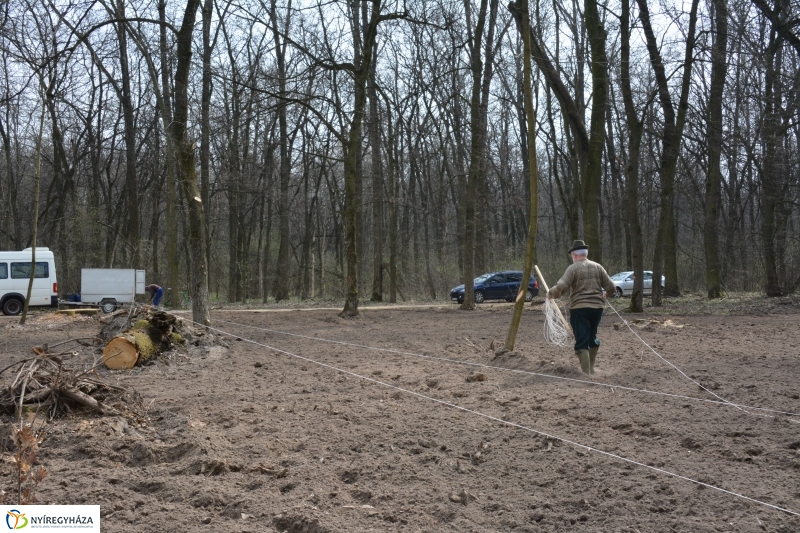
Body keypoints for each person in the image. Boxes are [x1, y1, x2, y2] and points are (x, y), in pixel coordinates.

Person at [546, 240, 617, 375]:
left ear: (574, 254)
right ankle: (591, 369)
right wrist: (606, 294)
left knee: (582, 340)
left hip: (580, 308)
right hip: (597, 309)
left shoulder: (573, 268)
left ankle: (586, 373)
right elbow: (611, 287)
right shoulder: (598, 267)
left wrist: (550, 294)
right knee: (591, 336)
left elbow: (562, 287)